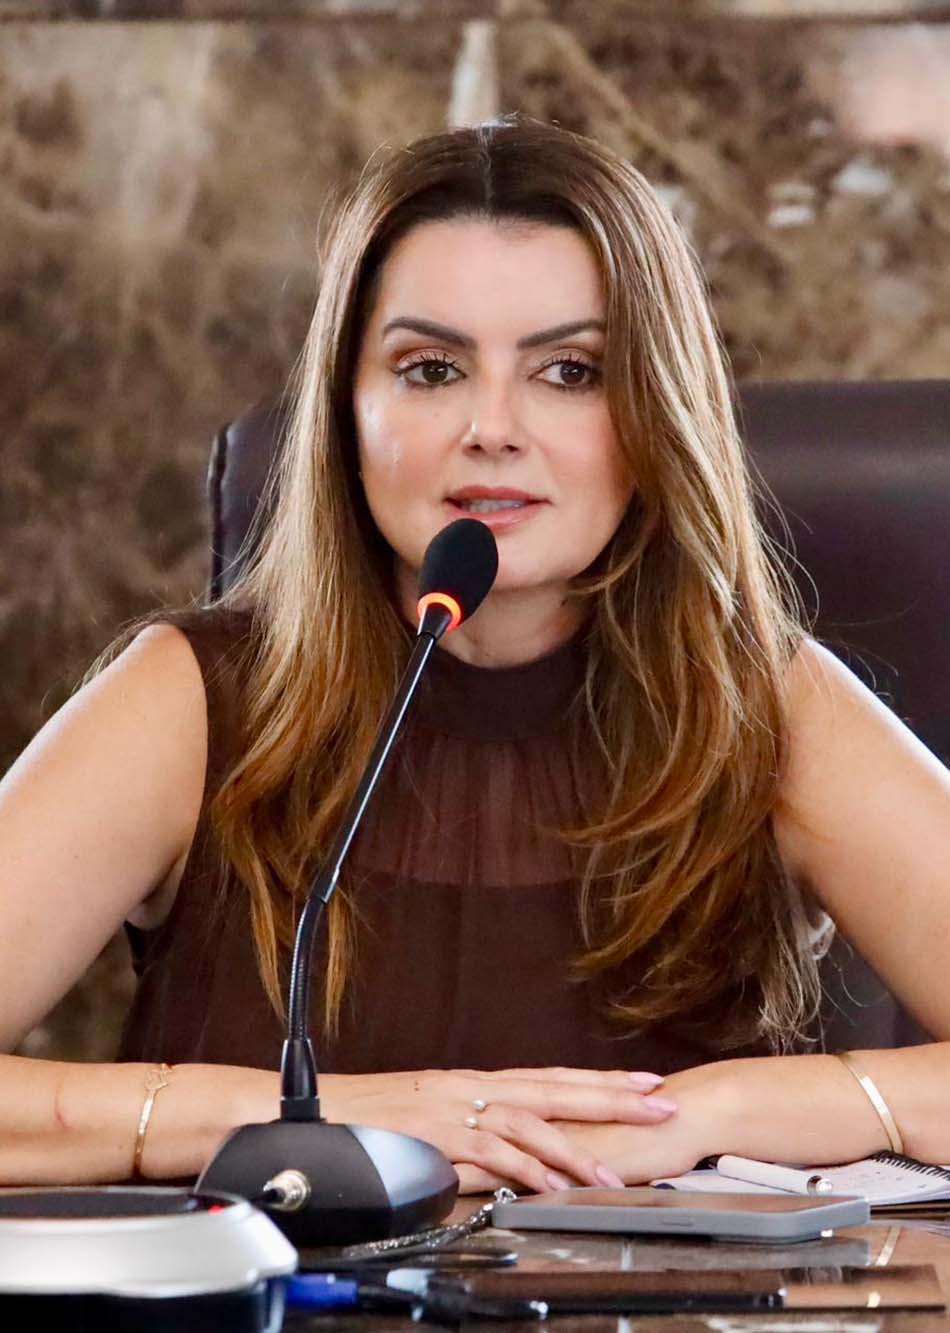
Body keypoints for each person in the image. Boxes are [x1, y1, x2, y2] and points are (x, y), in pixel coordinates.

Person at [1, 116, 948, 1198]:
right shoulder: (191, 701)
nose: (492, 427)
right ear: (346, 411)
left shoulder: (766, 705)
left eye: (570, 370)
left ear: (655, 411)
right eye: (432, 368)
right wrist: (304, 1120)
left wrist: (709, 1113)